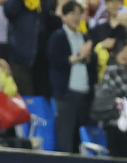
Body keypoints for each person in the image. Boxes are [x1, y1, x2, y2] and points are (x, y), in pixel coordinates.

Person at [48, 1, 98, 154]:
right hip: (66, 95)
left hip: (84, 95)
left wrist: (89, 57)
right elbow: (55, 61)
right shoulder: (58, 37)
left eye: (79, 13)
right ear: (64, 16)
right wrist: (78, 55)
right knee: (65, 139)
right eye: (73, 13)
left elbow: (92, 63)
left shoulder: (85, 37)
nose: (77, 17)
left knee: (80, 139)